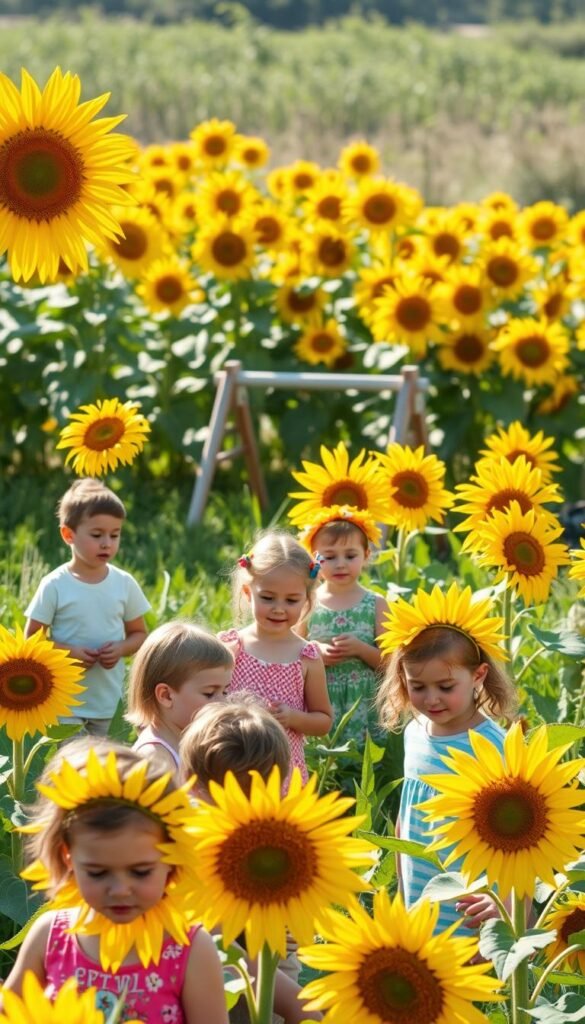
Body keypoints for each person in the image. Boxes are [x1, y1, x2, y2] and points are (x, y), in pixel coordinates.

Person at [2, 738, 228, 1023]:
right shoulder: (50, 937)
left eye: (141, 871)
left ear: (172, 860)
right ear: (68, 858)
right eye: (97, 873)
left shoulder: (189, 950)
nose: (120, 890)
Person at [376, 591, 517, 934]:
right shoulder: (413, 733)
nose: (431, 698)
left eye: (445, 685)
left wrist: (508, 907)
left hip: (472, 897)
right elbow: (406, 814)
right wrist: (401, 885)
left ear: (479, 676)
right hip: (420, 891)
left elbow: (518, 836)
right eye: (418, 687)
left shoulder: (492, 744)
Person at [179, 697, 322, 1024]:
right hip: (236, 969)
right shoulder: (201, 843)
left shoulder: (194, 837)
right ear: (281, 778)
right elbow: (225, 948)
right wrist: (300, 1006)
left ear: (188, 777)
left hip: (240, 968)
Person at [24, 478, 150, 737]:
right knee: (71, 767)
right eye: (97, 535)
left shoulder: (123, 584)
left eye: (115, 535)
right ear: (68, 534)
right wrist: (69, 652)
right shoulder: (55, 585)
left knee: (106, 769)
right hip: (65, 702)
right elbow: (32, 640)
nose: (107, 543)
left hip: (108, 702)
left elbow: (140, 635)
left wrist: (120, 648)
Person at [218, 529, 333, 787]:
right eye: (267, 598)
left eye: (291, 600)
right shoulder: (231, 647)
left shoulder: (306, 657)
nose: (279, 608)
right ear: (248, 593)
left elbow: (323, 720)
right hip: (230, 762)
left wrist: (293, 718)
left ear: (307, 599)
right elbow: (206, 700)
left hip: (283, 771)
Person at [298, 506, 387, 744]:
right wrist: (315, 652)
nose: (340, 564)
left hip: (364, 703)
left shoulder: (376, 604)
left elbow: (391, 663)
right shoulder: (307, 603)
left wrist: (361, 649)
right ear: (314, 559)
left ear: (366, 555)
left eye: (350, 556)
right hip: (320, 701)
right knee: (325, 764)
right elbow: (292, 651)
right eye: (329, 556)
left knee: (365, 766)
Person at [127, 621, 234, 776]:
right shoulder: (155, 758)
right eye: (209, 693)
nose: (222, 704)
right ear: (166, 695)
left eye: (225, 692)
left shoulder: (191, 743)